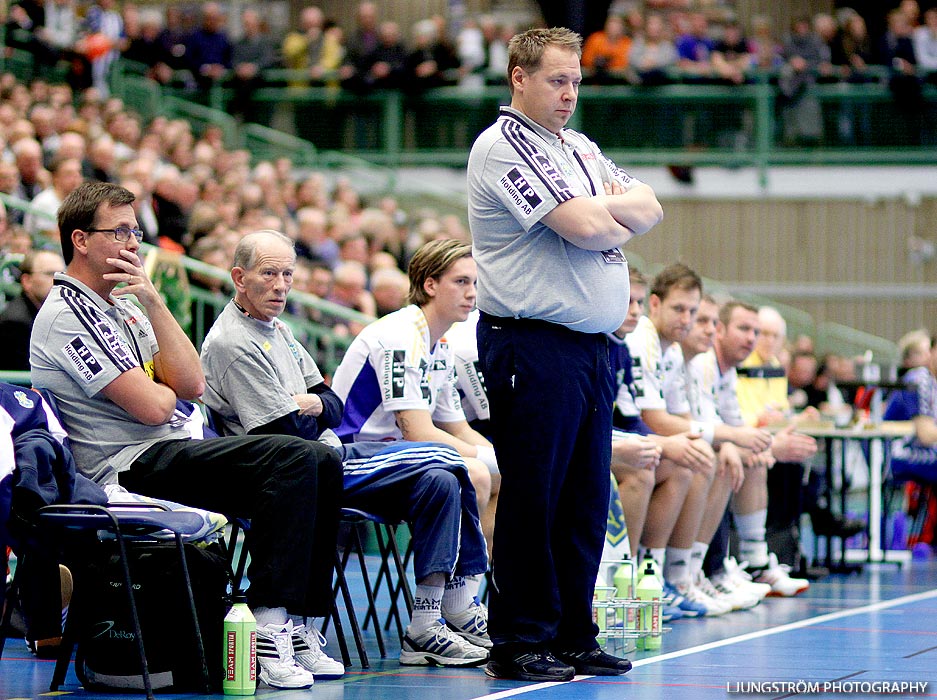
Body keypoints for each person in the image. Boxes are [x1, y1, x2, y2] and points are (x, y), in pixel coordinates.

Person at [29, 182, 344, 690]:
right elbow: (156, 407)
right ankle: (265, 623)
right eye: (121, 232)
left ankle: (298, 624)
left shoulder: (128, 303)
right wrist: (166, 392)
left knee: (321, 461)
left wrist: (153, 300)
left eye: (136, 231)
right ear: (81, 240)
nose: (134, 243)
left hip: (171, 449)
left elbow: (191, 383)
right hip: (126, 466)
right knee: (292, 458)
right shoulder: (67, 316)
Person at [467, 27, 662, 682]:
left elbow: (649, 204)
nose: (569, 94)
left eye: (576, 81)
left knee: (583, 497)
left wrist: (602, 210)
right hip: (531, 343)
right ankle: (520, 640)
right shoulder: (500, 148)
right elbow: (584, 226)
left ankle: (574, 633)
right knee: (534, 496)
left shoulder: (578, 147)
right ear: (518, 77)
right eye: (556, 80)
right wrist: (605, 214)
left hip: (592, 348)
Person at [199, 230, 490, 668]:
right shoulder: (233, 342)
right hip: (300, 467)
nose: (281, 285)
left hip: (327, 455)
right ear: (239, 278)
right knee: (457, 464)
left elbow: (330, 403)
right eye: (269, 274)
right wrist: (316, 409)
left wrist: (314, 404)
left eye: (287, 274)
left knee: (442, 480)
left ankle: (427, 626)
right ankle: (462, 602)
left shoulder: (279, 330)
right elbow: (284, 430)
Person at [330, 239, 500, 554]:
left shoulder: (441, 341)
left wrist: (504, 461)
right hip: (350, 457)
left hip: (396, 455)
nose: (472, 293)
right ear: (430, 284)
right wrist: (492, 460)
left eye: (475, 283)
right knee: (475, 474)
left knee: (502, 478)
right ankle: (447, 594)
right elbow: (419, 432)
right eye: (461, 282)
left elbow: (458, 428)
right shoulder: (400, 336)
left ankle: (474, 591)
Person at [0, 249, 65, 371]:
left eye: (63, 274)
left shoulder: (51, 313)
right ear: (27, 281)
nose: (60, 281)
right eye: (50, 273)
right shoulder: (15, 323)